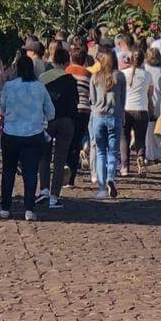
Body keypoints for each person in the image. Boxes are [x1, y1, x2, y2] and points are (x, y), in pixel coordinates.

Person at [0, 53, 55, 221]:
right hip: (33, 134)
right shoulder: (40, 87)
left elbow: (3, 106)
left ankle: (5, 207)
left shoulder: (9, 86)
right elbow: (51, 112)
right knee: (30, 172)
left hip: (11, 133)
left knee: (8, 171)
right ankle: (29, 208)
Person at [37, 47, 78, 208]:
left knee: (44, 157)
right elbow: (75, 102)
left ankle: (44, 190)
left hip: (47, 121)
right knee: (60, 159)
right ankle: (54, 196)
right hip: (66, 121)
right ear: (67, 62)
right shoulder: (71, 79)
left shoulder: (43, 78)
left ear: (53, 61)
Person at [89, 51, 123, 199]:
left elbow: (92, 99)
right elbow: (123, 99)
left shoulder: (95, 76)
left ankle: (102, 188)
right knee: (113, 152)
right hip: (114, 116)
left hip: (98, 116)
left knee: (100, 152)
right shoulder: (120, 76)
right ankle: (111, 177)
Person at [64, 46, 93, 187]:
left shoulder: (66, 72)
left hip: (70, 110)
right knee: (77, 142)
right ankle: (71, 179)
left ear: (71, 58)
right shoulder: (88, 74)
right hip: (85, 110)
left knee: (66, 142)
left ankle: (65, 168)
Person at [123, 48, 154, 176]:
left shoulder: (123, 73)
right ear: (143, 61)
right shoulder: (147, 75)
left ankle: (125, 166)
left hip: (126, 109)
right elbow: (150, 94)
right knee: (140, 138)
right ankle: (141, 155)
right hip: (142, 109)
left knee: (124, 137)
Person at [142, 47, 161, 163]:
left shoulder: (144, 69)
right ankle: (158, 154)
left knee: (148, 130)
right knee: (160, 129)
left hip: (147, 101)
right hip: (159, 102)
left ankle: (149, 154)